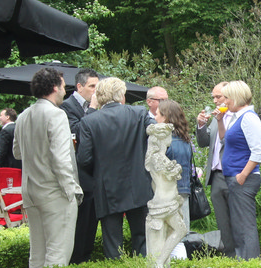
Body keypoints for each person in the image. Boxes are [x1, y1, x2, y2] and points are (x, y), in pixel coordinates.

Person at [12, 68, 83, 268]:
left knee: (37, 254)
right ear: (54, 87)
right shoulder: (56, 115)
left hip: (30, 192)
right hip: (55, 192)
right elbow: (61, 159)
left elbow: (17, 153)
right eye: (63, 86)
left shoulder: (23, 116)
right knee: (58, 253)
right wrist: (71, 190)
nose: (65, 91)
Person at [76, 77, 153, 258]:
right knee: (143, 239)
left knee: (112, 244)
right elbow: (157, 138)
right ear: (121, 95)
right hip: (138, 184)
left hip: (107, 187)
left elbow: (84, 159)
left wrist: (99, 172)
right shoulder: (139, 113)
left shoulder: (89, 121)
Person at [221, 80, 261, 260]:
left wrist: (242, 175)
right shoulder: (238, 117)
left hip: (243, 180)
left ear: (236, 97)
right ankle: (245, 262)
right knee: (239, 225)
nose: (225, 101)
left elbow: (259, 151)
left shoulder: (248, 118)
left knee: (245, 226)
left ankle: (250, 264)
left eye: (227, 97)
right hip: (237, 178)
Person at [62, 68, 100, 263]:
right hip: (78, 173)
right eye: (92, 86)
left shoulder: (98, 107)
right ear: (79, 86)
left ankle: (86, 256)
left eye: (97, 87)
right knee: (81, 221)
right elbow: (76, 131)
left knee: (91, 220)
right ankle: (77, 259)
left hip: (95, 172)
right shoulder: (66, 107)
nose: (95, 91)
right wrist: (92, 110)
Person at [196, 81, 235, 256]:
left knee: (238, 218)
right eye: (213, 97)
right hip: (216, 176)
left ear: (229, 96)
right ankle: (229, 256)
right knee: (222, 221)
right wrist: (201, 126)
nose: (214, 100)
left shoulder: (238, 117)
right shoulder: (215, 118)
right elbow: (203, 143)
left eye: (218, 97)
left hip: (234, 174)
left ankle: (244, 256)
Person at [155, 99, 194, 258]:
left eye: (157, 114)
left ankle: (178, 266)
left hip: (169, 193)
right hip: (183, 190)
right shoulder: (185, 140)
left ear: (165, 117)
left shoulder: (166, 142)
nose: (155, 117)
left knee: (170, 236)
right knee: (180, 233)